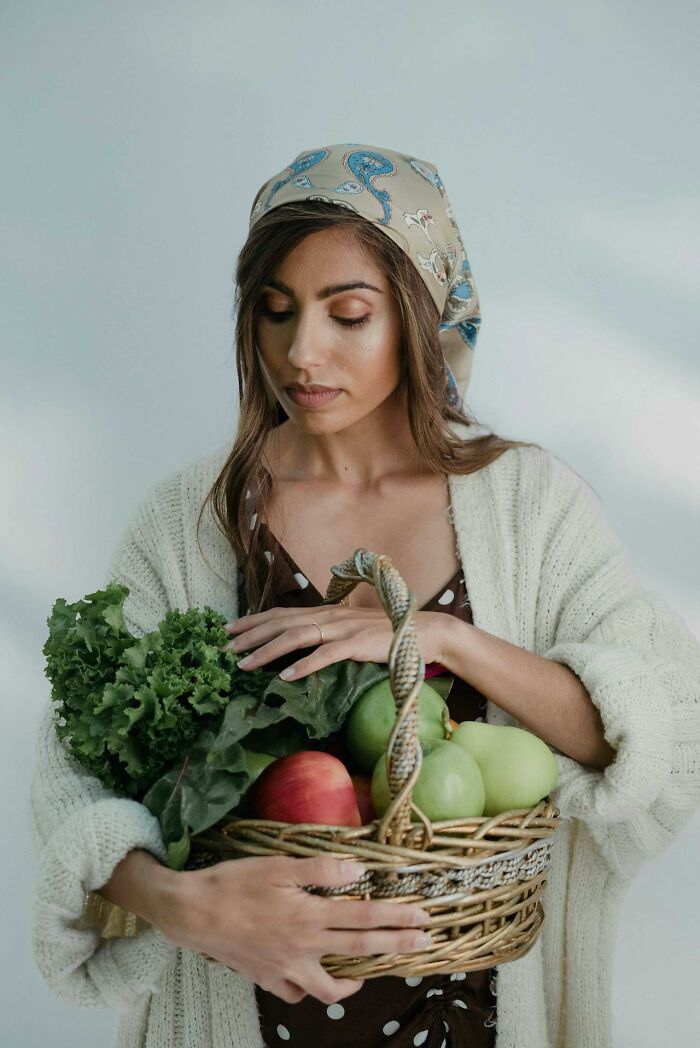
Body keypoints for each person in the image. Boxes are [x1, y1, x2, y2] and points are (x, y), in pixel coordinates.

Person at [30, 143, 700, 1048]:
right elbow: (73, 773)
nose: (301, 352)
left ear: (419, 320)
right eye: (275, 312)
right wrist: (183, 906)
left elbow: (646, 732)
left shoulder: (531, 504)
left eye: (348, 314)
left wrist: (437, 639)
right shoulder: (187, 522)